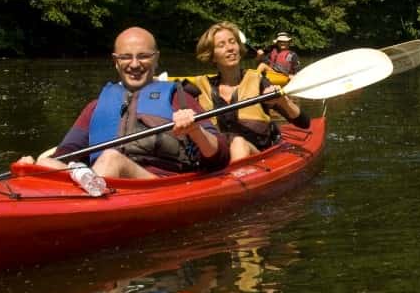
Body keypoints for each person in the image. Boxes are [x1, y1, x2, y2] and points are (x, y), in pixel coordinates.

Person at [18, 26, 229, 181]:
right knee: (44, 162)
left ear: (156, 59)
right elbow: (67, 153)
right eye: (126, 57)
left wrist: (195, 131)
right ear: (116, 61)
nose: (135, 64)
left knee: (112, 158)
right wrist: (34, 169)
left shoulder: (179, 98)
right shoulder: (95, 106)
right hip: (103, 182)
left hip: (156, 185)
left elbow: (220, 156)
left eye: (144, 56)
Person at [185, 21, 310, 162]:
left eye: (233, 42)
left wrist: (282, 100)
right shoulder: (198, 87)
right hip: (219, 159)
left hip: (258, 157)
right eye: (221, 45)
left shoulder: (258, 82)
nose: (230, 48)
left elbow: (304, 123)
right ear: (212, 55)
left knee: (239, 143)